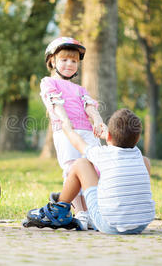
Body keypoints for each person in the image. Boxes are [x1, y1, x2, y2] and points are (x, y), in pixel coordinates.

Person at [25, 109, 155, 234]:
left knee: (81, 164)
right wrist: (109, 136)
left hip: (109, 224)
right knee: (144, 162)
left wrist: (67, 127)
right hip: (141, 224)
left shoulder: (103, 153)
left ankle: (58, 210)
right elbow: (123, 145)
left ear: (108, 135)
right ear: (137, 139)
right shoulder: (140, 157)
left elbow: (78, 143)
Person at [40, 36, 107, 229]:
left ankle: (94, 212)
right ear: (52, 61)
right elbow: (55, 103)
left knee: (94, 169)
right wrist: (66, 121)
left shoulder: (79, 89)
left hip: (87, 132)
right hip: (66, 132)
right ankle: (81, 212)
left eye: (74, 61)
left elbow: (89, 106)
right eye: (64, 60)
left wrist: (98, 120)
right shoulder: (48, 83)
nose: (69, 64)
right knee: (72, 170)